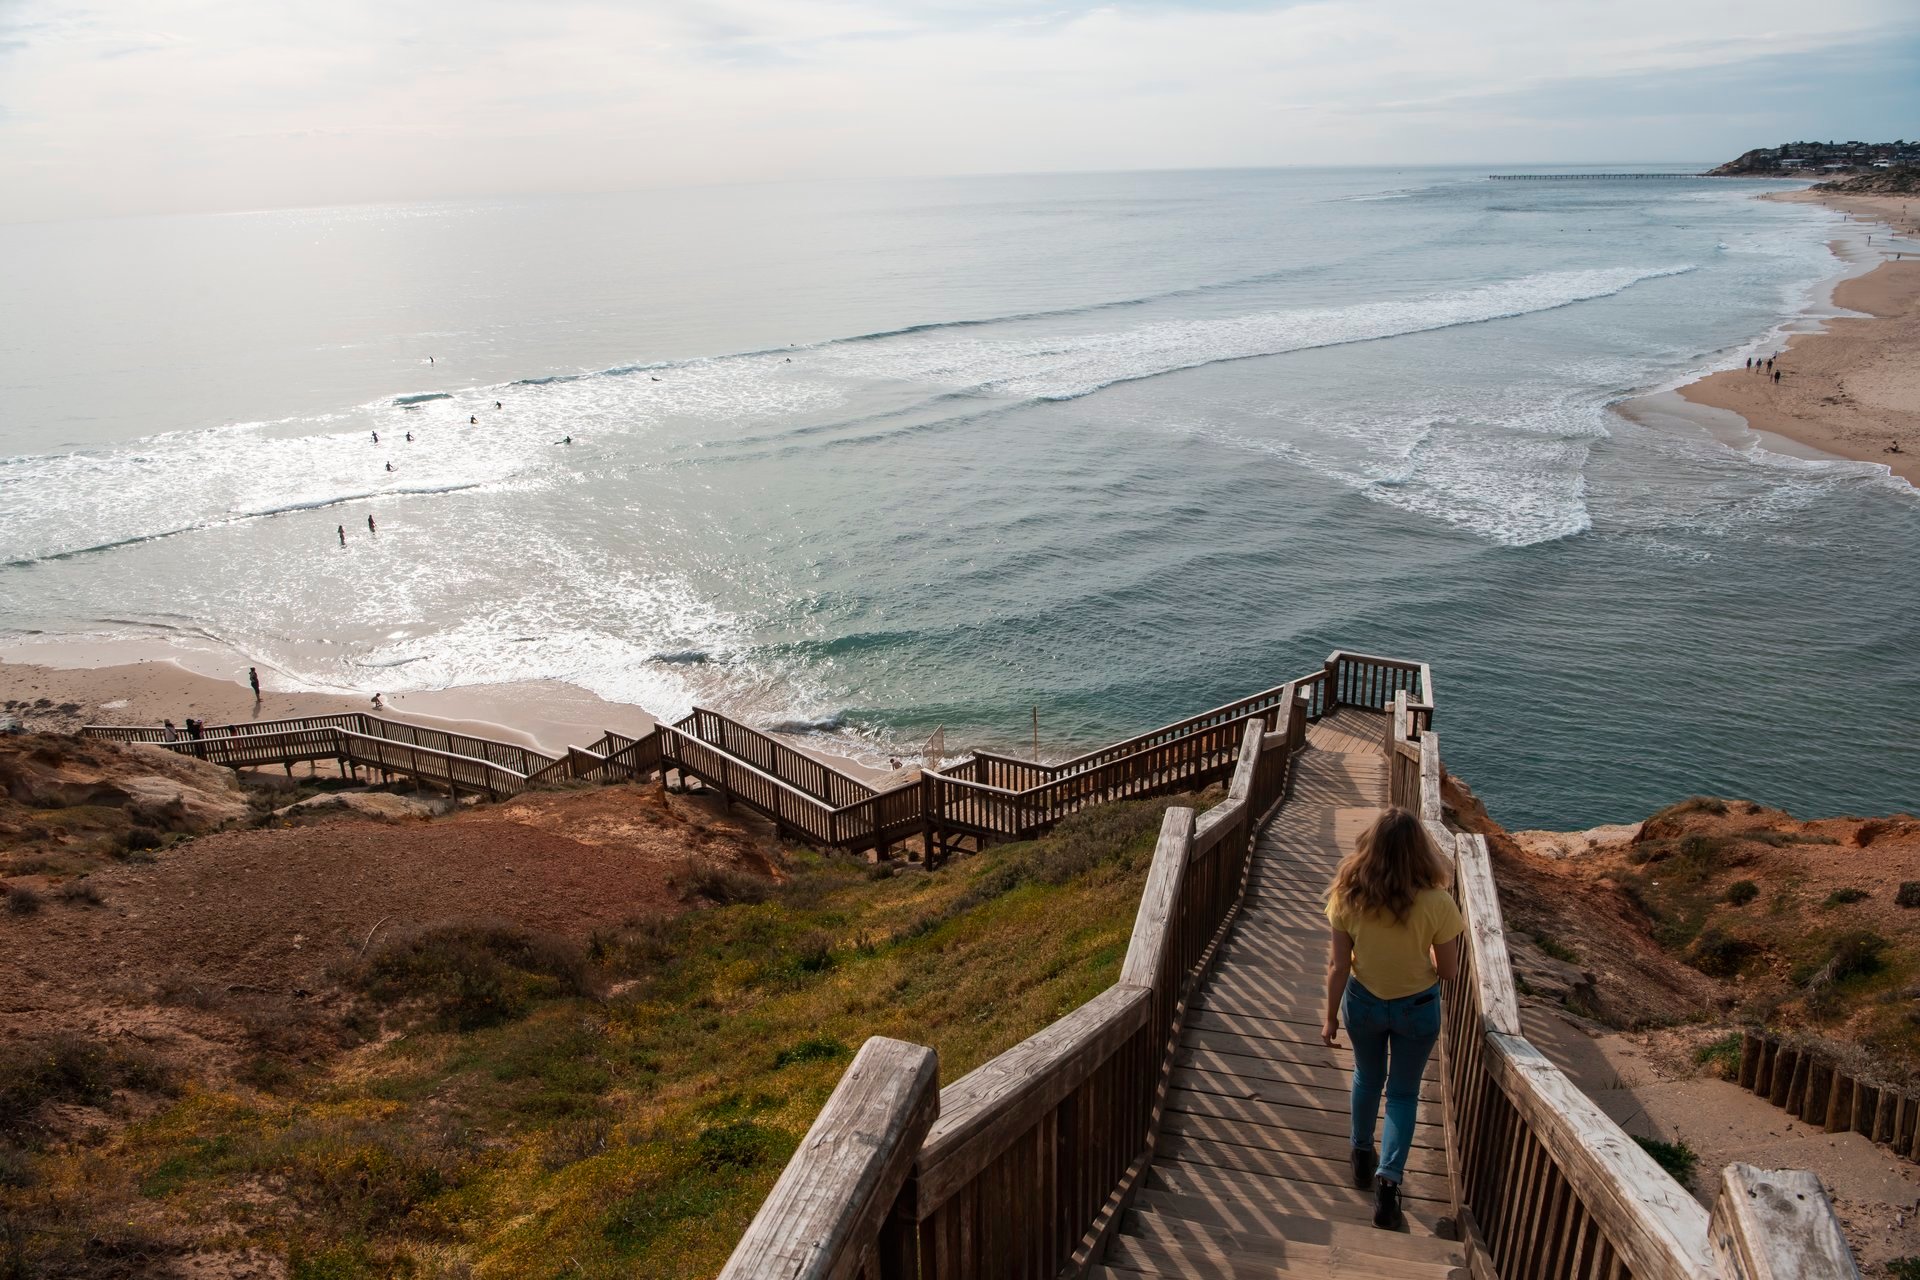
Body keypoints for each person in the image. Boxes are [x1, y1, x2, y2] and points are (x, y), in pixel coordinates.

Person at [1322, 808, 1462, 1230]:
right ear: (1421, 852)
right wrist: (1431, 950)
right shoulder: (1438, 903)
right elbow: (1449, 972)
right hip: (1416, 1008)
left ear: (1369, 846)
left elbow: (1338, 967)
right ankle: (1389, 1183)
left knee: (1366, 1077)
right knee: (1402, 1094)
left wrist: (1330, 1019)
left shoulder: (1347, 895)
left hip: (1364, 1002)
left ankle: (1361, 1155)